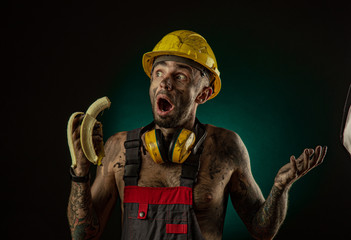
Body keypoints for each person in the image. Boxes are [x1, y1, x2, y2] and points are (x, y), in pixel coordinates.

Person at [67, 30, 327, 240]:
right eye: (159, 73)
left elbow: (262, 230)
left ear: (203, 94)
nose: (165, 83)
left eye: (180, 76)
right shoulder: (118, 148)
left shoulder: (226, 147)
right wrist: (80, 172)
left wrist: (281, 188)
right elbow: (83, 235)